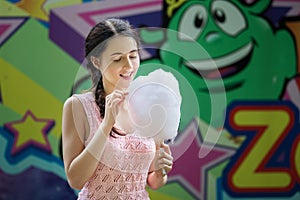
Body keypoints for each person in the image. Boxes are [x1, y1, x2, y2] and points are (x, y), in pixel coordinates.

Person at [62, 18, 174, 199]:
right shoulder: (78, 106)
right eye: (117, 59)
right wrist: (106, 125)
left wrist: (161, 172)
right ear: (97, 62)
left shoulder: (149, 105)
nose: (129, 66)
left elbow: (152, 181)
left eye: (133, 56)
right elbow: (75, 179)